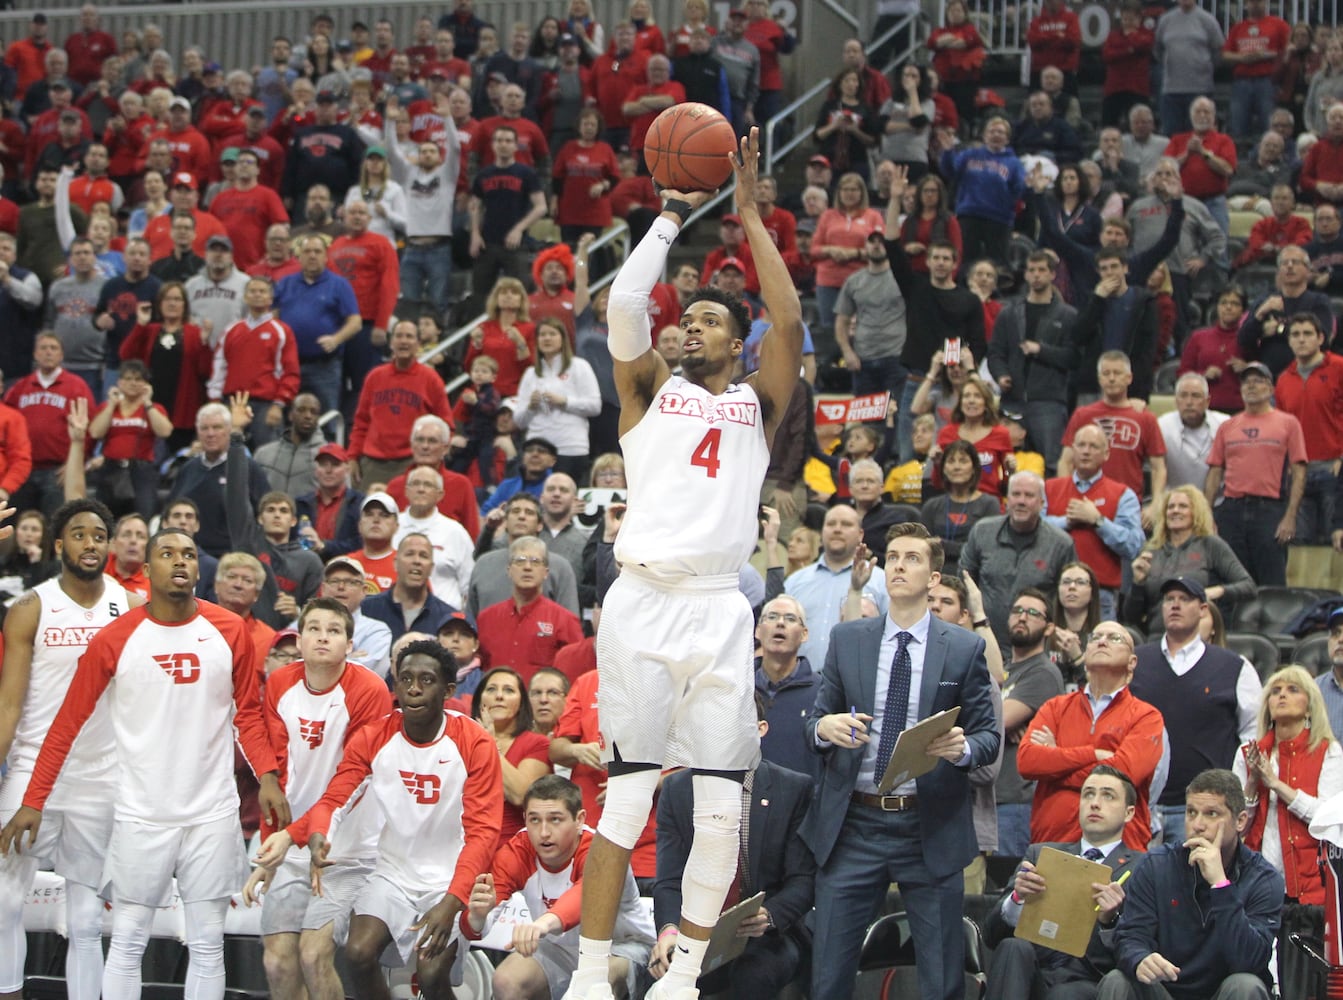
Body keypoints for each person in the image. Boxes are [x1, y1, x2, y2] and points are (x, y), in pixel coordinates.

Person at [561, 128, 802, 1000]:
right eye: (684, 317)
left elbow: (791, 318)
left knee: (721, 807)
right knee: (626, 800)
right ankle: (590, 977)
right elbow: (625, 305)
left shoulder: (756, 401)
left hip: (717, 606)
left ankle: (686, 973)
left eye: (705, 318)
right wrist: (668, 215)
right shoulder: (645, 391)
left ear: (735, 341)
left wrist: (745, 214)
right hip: (642, 600)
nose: (685, 323)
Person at [0, 526, 287, 1000]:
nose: (180, 561)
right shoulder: (113, 639)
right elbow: (64, 728)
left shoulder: (230, 630)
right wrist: (34, 800)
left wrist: (269, 777)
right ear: (147, 570)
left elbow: (248, 716)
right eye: (167, 553)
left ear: (199, 568)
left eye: (190, 554)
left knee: (208, 942)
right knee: (128, 940)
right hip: (139, 812)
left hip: (211, 811)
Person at [801, 521, 999, 1000]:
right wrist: (823, 730)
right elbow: (815, 723)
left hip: (927, 825)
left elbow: (989, 738)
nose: (899, 566)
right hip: (854, 824)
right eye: (893, 557)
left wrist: (963, 748)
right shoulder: (849, 639)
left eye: (912, 558)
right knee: (828, 976)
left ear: (933, 578)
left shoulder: (964, 647)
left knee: (941, 978)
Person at [254, 640, 502, 1000]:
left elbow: (483, 834)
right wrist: (320, 833)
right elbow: (335, 799)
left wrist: (452, 901)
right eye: (405, 679)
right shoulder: (374, 737)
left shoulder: (473, 742)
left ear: (449, 690)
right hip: (393, 874)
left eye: (426, 680)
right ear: (395, 686)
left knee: (432, 975)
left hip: (450, 878)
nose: (414, 688)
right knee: (357, 954)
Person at [0, 498, 135, 1000]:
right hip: (32, 765)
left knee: (84, 916)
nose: (90, 543)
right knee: (5, 900)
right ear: (59, 544)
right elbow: (10, 703)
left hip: (100, 773)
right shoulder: (30, 606)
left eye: (99, 535)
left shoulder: (131, 607)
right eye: (79, 534)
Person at [241, 598, 392, 1000]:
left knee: (313, 954)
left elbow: (352, 783)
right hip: (291, 840)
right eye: (313, 628)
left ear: (349, 644)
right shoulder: (280, 683)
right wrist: (272, 852)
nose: (323, 637)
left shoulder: (369, 690)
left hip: (348, 847)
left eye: (334, 630)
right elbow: (279, 783)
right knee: (277, 961)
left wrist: (290, 836)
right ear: (300, 638)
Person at [650, 692, 815, 997]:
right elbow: (669, 881)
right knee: (661, 971)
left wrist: (769, 914)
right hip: (698, 930)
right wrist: (669, 931)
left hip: (770, 934)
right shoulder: (677, 790)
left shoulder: (793, 789)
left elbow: (803, 881)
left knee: (753, 974)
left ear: (760, 729)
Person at [1098, 769, 1282, 1000]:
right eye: (1191, 812)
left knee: (1246, 985)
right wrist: (1139, 958)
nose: (1197, 824)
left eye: (1212, 814)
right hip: (1163, 990)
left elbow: (1250, 961)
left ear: (1240, 821)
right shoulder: (1155, 865)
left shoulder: (1263, 878)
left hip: (1222, 992)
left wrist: (1220, 885)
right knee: (1118, 980)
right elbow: (1130, 936)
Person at [984, 766, 1147, 1000]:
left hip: (1089, 981)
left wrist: (1111, 920)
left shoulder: (1140, 868)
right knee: (1012, 947)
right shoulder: (1040, 855)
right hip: (1031, 972)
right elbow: (990, 936)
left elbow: (1137, 948)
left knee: (1065, 994)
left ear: (1129, 813)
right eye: (1088, 794)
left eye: (1108, 796)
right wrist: (1017, 899)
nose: (1095, 803)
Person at [1235, 665, 1341, 1000]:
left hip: (1311, 890)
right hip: (1259, 881)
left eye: (1292, 689)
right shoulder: (1248, 754)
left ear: (1310, 705)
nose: (1282, 695)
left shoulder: (1330, 752)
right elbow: (1238, 823)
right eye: (1276, 690)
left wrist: (1276, 784)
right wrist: (1254, 779)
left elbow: (1329, 817)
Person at [1131, 577, 1260, 844]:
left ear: (1203, 610)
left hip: (1205, 810)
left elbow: (1253, 737)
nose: (1175, 605)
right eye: (1169, 599)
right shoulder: (1136, 662)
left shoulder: (1234, 666)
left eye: (1185, 599)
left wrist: (1236, 795)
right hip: (1139, 806)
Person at [1020, 620, 1165, 850]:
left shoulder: (1147, 716)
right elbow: (1028, 761)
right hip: (1051, 844)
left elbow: (1122, 776)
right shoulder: (1055, 707)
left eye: (1114, 638)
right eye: (1095, 637)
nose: (1102, 641)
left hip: (1119, 853)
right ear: (1085, 652)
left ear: (1132, 662)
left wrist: (1056, 760)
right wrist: (1093, 755)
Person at [1204, 361, 1307, 586]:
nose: (1251, 386)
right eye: (1246, 381)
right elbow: (1215, 471)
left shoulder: (1288, 423)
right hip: (1231, 509)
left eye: (1258, 381)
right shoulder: (1227, 426)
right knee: (1229, 581)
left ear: (1271, 389)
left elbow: (1299, 471)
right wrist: (1207, 513)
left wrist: (1290, 517)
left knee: (1271, 582)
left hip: (1269, 510)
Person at [960, 471, 1077, 645]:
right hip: (984, 640)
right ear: (1007, 499)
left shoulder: (1061, 544)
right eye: (1016, 494)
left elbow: (1067, 598)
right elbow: (964, 583)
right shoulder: (982, 532)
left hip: (1035, 645)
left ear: (1041, 503)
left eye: (1029, 495)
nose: (1021, 501)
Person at [987, 250, 1078, 473]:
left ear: (1052, 275)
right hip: (1012, 400)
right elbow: (996, 353)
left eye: (1042, 270)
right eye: (1032, 270)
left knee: (1052, 463)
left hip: (1049, 402)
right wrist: (1001, 375)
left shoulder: (1068, 315)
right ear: (1025, 275)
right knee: (1003, 462)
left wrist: (1041, 350)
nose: (1036, 275)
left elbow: (1073, 357)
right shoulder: (1009, 314)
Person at [1045, 423, 1145, 622]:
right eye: (1081, 445)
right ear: (1072, 450)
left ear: (1106, 454)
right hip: (1051, 592)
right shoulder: (1048, 488)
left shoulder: (1123, 494)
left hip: (1101, 595)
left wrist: (1097, 521)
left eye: (1093, 446)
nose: (1086, 451)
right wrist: (1068, 521)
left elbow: (1134, 545)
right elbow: (1034, 528)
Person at [994, 587, 1066, 856]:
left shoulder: (1043, 672)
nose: (1022, 617)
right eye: (1017, 611)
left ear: (1049, 628)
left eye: (1033, 613)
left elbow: (994, 721)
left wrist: (996, 721)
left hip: (1016, 800)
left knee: (1006, 888)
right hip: (992, 796)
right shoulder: (1005, 670)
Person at [1127, 487, 1254, 629]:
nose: (1175, 510)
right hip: (1157, 635)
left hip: (1199, 635)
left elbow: (1248, 586)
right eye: (1170, 507)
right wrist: (1138, 583)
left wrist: (1214, 592)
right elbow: (1131, 617)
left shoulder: (1210, 545)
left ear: (1196, 512)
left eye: (1183, 506)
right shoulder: (1152, 551)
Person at [347, 319, 453, 487]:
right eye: (399, 336)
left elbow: (446, 426)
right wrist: (352, 456)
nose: (404, 341)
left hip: (412, 462)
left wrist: (434, 461)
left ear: (418, 343)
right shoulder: (375, 377)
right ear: (391, 343)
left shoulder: (431, 379)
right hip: (373, 463)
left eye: (409, 336)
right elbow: (361, 422)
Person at [785, 504, 888, 668]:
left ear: (860, 534)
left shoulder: (880, 581)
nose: (837, 529)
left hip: (856, 681)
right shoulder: (795, 582)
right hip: (801, 683)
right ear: (821, 533)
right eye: (831, 524)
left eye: (846, 524)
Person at [1273, 313, 1343, 545]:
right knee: (1301, 544)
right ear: (1289, 341)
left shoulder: (1339, 368)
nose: (1301, 340)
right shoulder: (1283, 380)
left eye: (1307, 334)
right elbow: (1282, 428)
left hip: (1334, 471)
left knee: (1336, 544)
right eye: (1295, 334)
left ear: (1321, 338)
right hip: (1298, 475)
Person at [167, 401, 270, 557]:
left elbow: (265, 513)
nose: (210, 434)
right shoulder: (188, 469)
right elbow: (169, 510)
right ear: (198, 432)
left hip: (232, 557)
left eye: (217, 427)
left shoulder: (248, 469)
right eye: (204, 428)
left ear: (229, 431)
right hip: (188, 556)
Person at [476, 536, 583, 684]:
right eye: (520, 561)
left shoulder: (564, 620)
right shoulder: (486, 619)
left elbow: (576, 668)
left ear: (546, 572)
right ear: (509, 571)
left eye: (535, 561)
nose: (527, 567)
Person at [511, 317, 602, 483]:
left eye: (552, 334)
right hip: (536, 449)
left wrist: (564, 401)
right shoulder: (531, 373)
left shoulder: (579, 366)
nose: (546, 338)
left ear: (563, 339)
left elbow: (595, 406)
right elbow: (519, 421)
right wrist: (531, 406)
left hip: (570, 447)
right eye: (542, 335)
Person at [472, 666, 553, 847]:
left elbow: (520, 795)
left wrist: (490, 743)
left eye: (508, 690)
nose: (499, 696)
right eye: (491, 689)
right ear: (479, 699)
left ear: (521, 702)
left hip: (512, 847)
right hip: (465, 843)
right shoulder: (462, 739)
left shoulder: (537, 744)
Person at [393, 466, 475, 610]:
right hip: (395, 612)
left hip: (444, 619)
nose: (421, 489)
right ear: (406, 491)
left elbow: (469, 585)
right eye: (416, 484)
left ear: (440, 495)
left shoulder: (455, 532)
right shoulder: (392, 527)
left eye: (428, 485)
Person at [361, 532, 456, 642]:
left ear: (431, 568)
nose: (417, 561)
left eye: (423, 556)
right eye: (409, 554)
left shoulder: (446, 618)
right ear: (395, 563)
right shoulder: (366, 610)